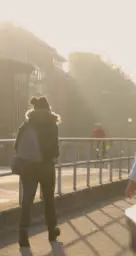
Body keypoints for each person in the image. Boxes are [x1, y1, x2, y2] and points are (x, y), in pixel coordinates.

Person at [15, 97, 61, 247]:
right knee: (48, 200)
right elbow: (55, 149)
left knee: (27, 201)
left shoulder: (27, 124)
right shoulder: (52, 124)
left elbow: (17, 146)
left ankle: (23, 235)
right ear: (48, 108)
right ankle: (52, 232)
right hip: (47, 167)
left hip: (28, 167)